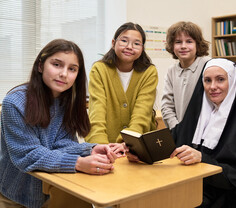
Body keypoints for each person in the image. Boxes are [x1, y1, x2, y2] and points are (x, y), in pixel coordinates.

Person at [0, 39, 117, 208]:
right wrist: (77, 162)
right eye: (57, 65)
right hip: (16, 193)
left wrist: (90, 149)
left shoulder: (66, 100)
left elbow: (60, 144)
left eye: (72, 69)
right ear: (40, 66)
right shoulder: (15, 102)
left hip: (52, 188)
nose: (64, 74)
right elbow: (27, 154)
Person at [170, 58, 236, 207]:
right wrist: (137, 146)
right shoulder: (196, 114)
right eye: (207, 80)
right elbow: (171, 140)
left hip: (223, 200)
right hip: (189, 191)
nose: (213, 87)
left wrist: (201, 159)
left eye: (220, 80)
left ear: (232, 82)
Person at [85, 22, 158, 155]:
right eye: (124, 41)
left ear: (142, 48)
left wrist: (129, 143)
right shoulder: (99, 70)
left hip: (139, 146)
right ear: (113, 43)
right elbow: (97, 111)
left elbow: (142, 112)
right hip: (106, 146)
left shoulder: (149, 72)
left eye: (136, 43)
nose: (129, 47)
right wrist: (100, 146)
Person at [161, 21, 210, 129]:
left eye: (189, 41)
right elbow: (167, 106)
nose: (183, 46)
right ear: (172, 45)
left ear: (197, 44)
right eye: (178, 42)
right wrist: (177, 129)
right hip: (178, 132)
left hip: (204, 132)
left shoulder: (208, 65)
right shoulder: (171, 71)